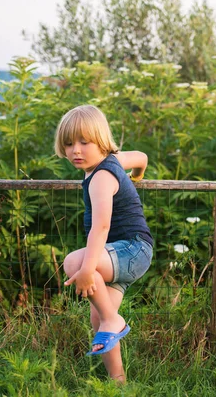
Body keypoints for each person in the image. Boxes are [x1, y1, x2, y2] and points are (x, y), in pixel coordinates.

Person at [54, 104, 153, 384]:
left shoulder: (101, 177)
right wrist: (137, 175)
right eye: (69, 143)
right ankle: (118, 382)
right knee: (99, 319)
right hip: (120, 253)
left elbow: (101, 227)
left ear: (101, 141)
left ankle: (114, 321)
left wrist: (85, 270)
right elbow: (141, 157)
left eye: (84, 142)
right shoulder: (113, 161)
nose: (76, 150)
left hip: (131, 250)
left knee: (74, 262)